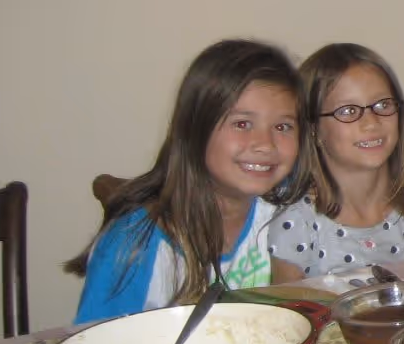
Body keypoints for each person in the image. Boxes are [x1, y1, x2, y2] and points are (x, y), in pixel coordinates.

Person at [70, 39, 305, 324]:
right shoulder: (133, 247)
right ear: (195, 129)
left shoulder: (288, 206)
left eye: (283, 127)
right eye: (242, 123)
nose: (265, 144)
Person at [269, 44, 404, 280]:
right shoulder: (296, 223)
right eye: (348, 111)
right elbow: (290, 314)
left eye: (383, 105)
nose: (371, 122)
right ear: (313, 129)